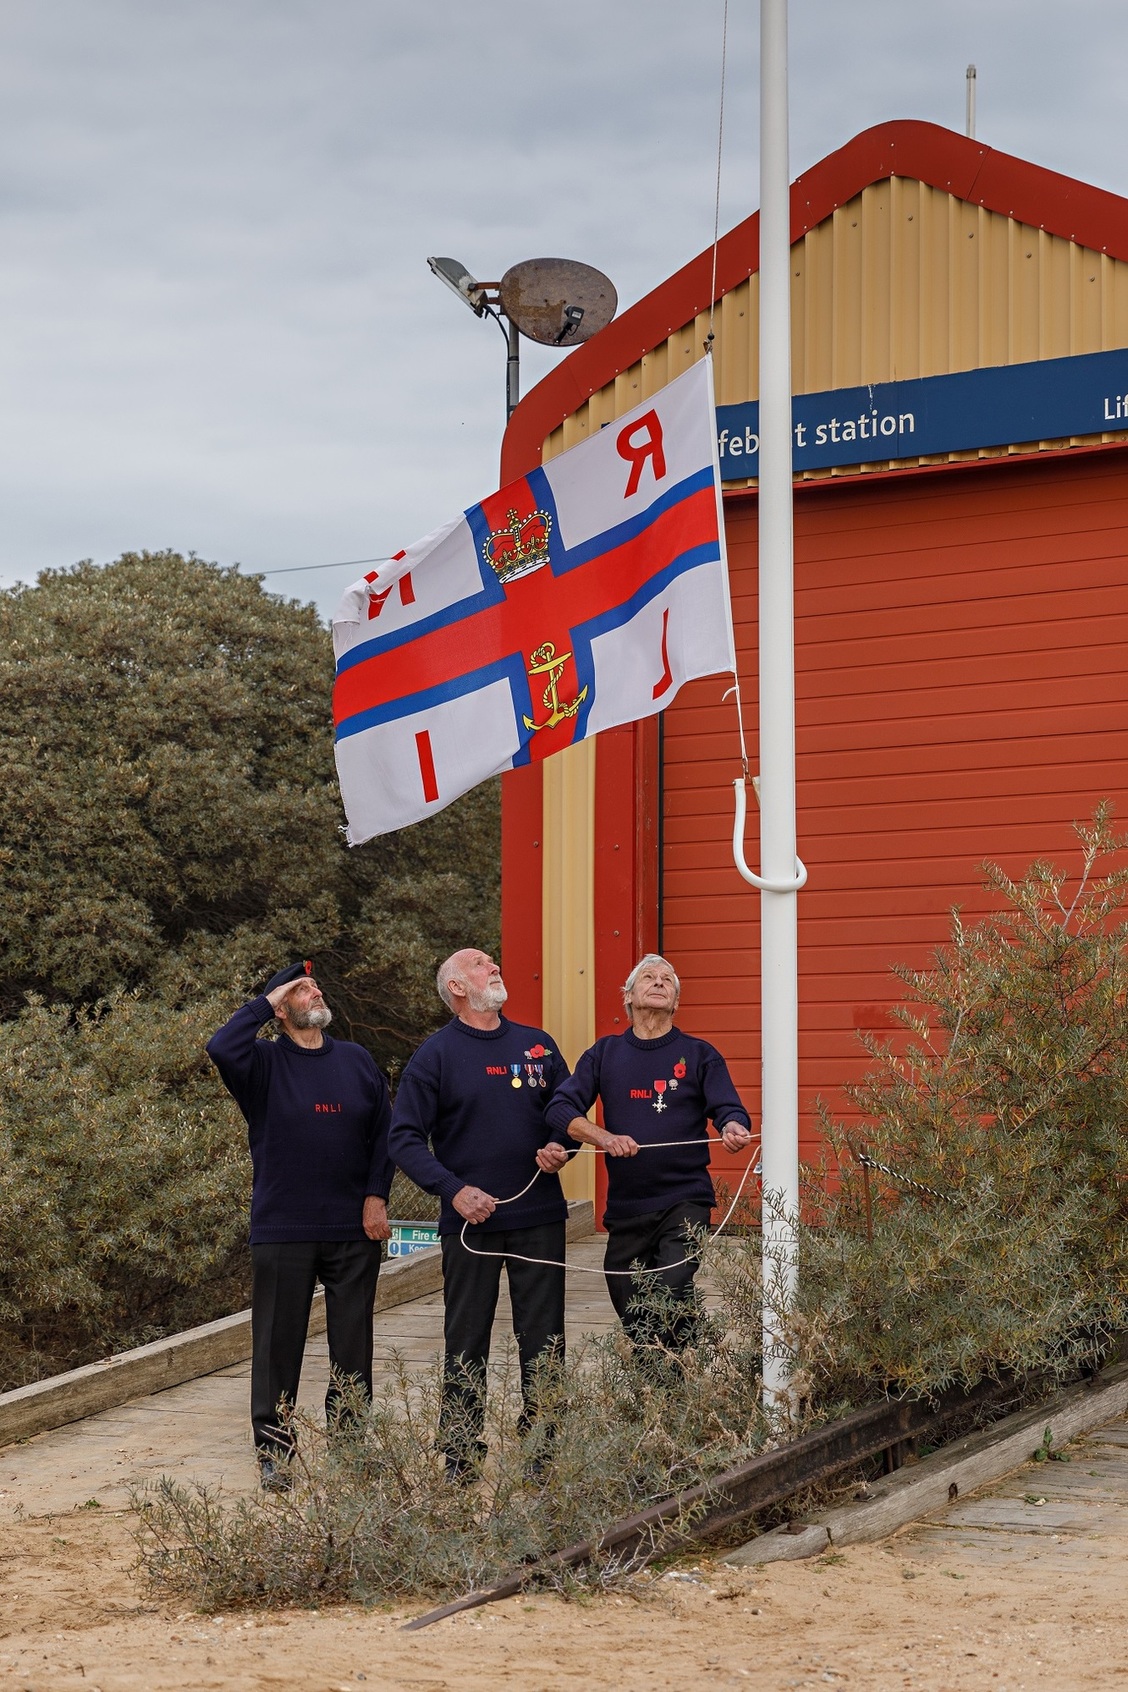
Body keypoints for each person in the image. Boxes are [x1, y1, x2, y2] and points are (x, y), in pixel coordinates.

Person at [206, 961, 394, 1490]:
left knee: (352, 1343)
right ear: (282, 1008)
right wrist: (267, 1000)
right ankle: (275, 1452)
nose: (313, 992)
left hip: (354, 1227)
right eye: (300, 989)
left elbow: (385, 1133)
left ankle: (352, 1446)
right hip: (284, 1225)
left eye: (315, 984)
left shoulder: (357, 1060)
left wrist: (376, 1196)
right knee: (276, 1342)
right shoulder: (261, 1062)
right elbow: (221, 1045)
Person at [388, 948, 571, 1480]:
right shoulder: (435, 1056)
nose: (494, 966)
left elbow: (567, 1111)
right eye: (480, 964)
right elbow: (403, 1139)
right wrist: (453, 1190)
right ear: (458, 989)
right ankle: (461, 1458)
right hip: (471, 1225)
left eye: (495, 961)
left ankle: (543, 1448)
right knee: (466, 1338)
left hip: (539, 1214)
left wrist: (563, 1145)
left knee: (546, 1337)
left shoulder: (538, 1045)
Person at [545, 953, 752, 1353]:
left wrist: (731, 1125)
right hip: (626, 1207)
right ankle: (672, 1380)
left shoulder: (699, 1054)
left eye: (668, 981)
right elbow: (559, 1109)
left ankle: (675, 1384)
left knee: (670, 1289)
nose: (659, 983)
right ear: (628, 995)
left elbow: (728, 1107)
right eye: (649, 977)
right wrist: (602, 1137)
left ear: (675, 1002)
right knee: (633, 1311)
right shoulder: (604, 1054)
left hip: (685, 1199)